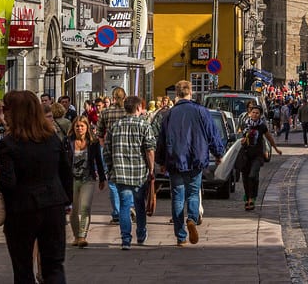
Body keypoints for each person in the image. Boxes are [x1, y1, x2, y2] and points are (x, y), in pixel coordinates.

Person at [0, 90, 72, 283]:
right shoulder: (51, 139)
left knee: (23, 269)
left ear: (16, 112)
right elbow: (66, 172)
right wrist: (66, 201)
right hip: (53, 206)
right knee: (54, 266)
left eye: (6, 109)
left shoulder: (9, 144)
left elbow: (8, 183)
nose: (4, 113)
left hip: (22, 211)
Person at [156, 80, 226, 246]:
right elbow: (212, 134)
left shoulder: (169, 114)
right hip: (196, 158)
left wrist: (161, 161)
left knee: (177, 197)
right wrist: (218, 153)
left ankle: (181, 236)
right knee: (194, 192)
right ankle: (192, 219)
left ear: (176, 94)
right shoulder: (201, 111)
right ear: (191, 92)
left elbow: (162, 140)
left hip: (175, 160)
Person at [104, 95, 156, 250]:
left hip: (120, 172)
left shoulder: (115, 126)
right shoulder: (144, 125)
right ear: (139, 108)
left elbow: (107, 150)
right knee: (139, 204)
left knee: (125, 206)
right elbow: (150, 149)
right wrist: (151, 169)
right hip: (139, 173)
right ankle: (141, 234)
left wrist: (110, 167)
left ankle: (125, 239)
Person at [68, 115, 106, 248]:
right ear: (73, 127)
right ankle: (76, 236)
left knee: (85, 207)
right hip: (71, 179)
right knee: (74, 210)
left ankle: (83, 236)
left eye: (82, 126)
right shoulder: (68, 142)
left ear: (87, 127)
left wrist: (102, 178)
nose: (79, 128)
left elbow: (98, 161)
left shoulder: (93, 142)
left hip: (88, 179)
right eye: (77, 126)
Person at [237, 106, 281, 211]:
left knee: (253, 175)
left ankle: (252, 198)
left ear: (260, 115)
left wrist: (276, 149)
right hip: (245, 155)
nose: (255, 114)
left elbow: (269, 137)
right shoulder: (245, 124)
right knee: (245, 178)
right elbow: (239, 136)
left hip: (257, 155)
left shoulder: (262, 126)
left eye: (257, 113)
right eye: (253, 112)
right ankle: (247, 198)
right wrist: (241, 140)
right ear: (249, 113)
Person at [97, 86, 128, 224]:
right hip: (127, 150)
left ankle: (116, 213)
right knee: (128, 182)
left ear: (113, 98)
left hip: (111, 150)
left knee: (113, 183)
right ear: (125, 97)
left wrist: (104, 146)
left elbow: (99, 133)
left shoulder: (105, 112)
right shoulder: (129, 112)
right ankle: (127, 209)